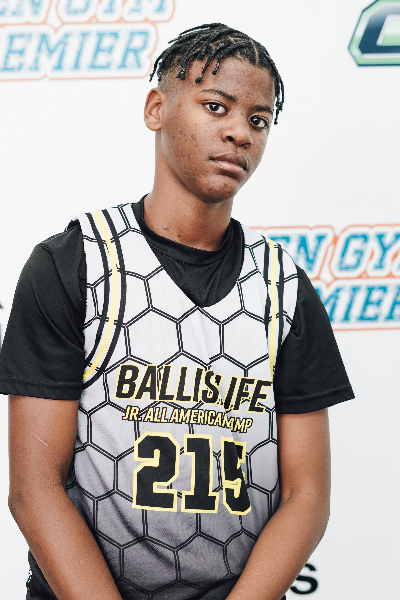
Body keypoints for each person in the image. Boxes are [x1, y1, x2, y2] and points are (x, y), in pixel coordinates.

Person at [0, 23, 354, 600]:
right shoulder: (75, 263)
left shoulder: (283, 285)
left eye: (259, 120)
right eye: (217, 107)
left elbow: (306, 496)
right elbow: (35, 488)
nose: (239, 132)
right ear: (156, 108)